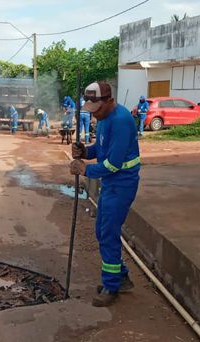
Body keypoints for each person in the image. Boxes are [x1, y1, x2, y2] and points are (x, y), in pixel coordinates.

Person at [70, 82, 140, 307]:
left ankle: (111, 285)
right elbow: (101, 149)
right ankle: (121, 276)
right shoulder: (103, 118)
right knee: (102, 231)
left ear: (109, 101)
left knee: (108, 233)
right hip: (111, 183)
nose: (93, 114)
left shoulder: (121, 121)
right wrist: (86, 151)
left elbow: (113, 164)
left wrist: (86, 169)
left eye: (96, 109)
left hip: (122, 184)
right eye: (90, 109)